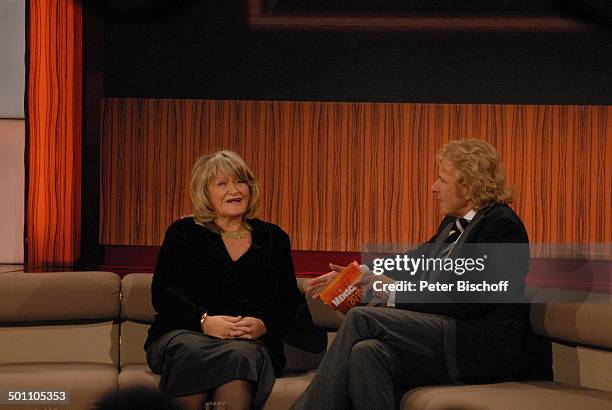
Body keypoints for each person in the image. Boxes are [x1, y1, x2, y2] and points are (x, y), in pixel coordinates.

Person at [294, 139, 551, 410]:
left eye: (441, 180)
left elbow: (470, 299)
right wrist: (362, 273)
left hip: (479, 347)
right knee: (366, 353)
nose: (433, 188)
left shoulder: (502, 227)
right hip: (444, 336)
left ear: (467, 185)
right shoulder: (452, 223)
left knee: (362, 317)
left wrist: (389, 291)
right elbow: (415, 260)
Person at [145, 150, 314, 410]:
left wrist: (264, 325)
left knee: (241, 354)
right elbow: (164, 293)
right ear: (205, 193)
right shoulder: (184, 233)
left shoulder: (273, 238)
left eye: (240, 181)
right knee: (194, 352)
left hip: (250, 342)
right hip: (186, 335)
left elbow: (287, 300)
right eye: (222, 183)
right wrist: (204, 322)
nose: (234, 190)